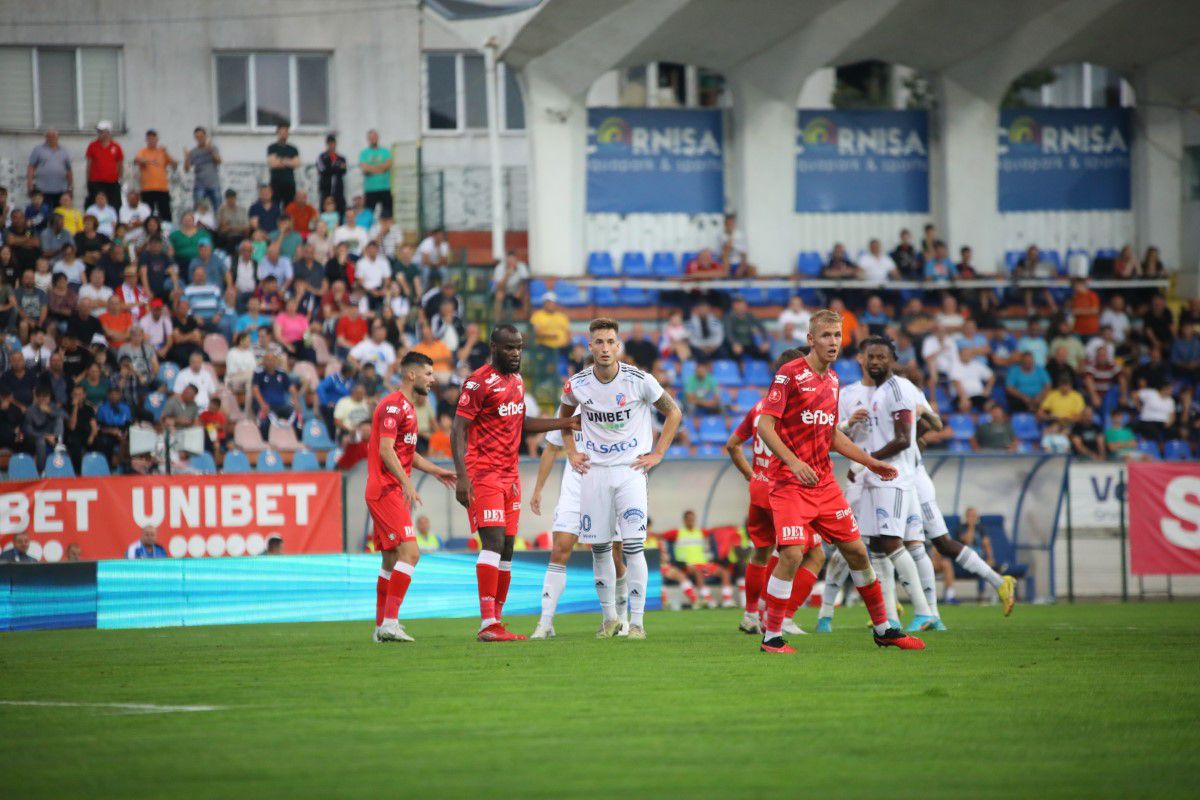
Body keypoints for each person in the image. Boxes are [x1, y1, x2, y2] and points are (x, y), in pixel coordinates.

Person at [754, 311, 922, 653]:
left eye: (837, 335)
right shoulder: (789, 374)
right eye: (827, 335)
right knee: (792, 553)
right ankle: (772, 636)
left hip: (824, 484)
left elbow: (831, 435)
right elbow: (765, 427)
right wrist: (794, 462)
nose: (833, 342)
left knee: (858, 552)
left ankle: (883, 628)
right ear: (811, 339)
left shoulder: (832, 382)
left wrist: (871, 461)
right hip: (789, 483)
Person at [451, 325, 580, 642]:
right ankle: (487, 623)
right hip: (483, 473)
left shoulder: (517, 382)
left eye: (519, 348)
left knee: (507, 549)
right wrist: (463, 478)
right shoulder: (478, 382)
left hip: (510, 475)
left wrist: (565, 421)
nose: (516, 354)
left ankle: (497, 619)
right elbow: (457, 430)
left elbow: (521, 423)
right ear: (494, 347)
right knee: (493, 543)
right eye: (510, 348)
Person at [556, 319, 683, 639]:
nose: (604, 348)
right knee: (599, 548)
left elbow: (674, 413)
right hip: (594, 472)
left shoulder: (640, 380)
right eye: (598, 342)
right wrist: (571, 451)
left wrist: (659, 453)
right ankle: (610, 618)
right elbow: (564, 416)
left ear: (618, 345)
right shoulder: (577, 384)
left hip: (630, 471)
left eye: (610, 341)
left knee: (633, 546)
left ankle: (637, 622)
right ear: (590, 346)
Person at [368, 352, 458, 643]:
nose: (432, 380)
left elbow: (406, 452)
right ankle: (390, 623)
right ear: (411, 375)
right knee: (411, 553)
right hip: (386, 490)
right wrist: (406, 482)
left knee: (390, 560)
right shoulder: (394, 405)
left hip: (388, 489)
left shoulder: (407, 407)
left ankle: (382, 625)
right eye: (429, 374)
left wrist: (436, 471)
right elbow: (385, 449)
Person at [529, 399, 630, 639]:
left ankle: (619, 619)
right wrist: (538, 489)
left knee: (612, 554)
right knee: (560, 550)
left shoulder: (616, 405)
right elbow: (552, 448)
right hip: (574, 492)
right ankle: (545, 623)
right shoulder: (568, 408)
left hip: (607, 489)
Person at [725, 348, 809, 635]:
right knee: (808, 552)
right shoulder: (794, 410)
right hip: (782, 490)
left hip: (759, 488)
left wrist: (752, 476)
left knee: (761, 552)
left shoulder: (760, 407)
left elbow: (732, 445)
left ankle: (750, 614)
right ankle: (779, 618)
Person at [134, 129, 176, 221]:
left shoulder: (162, 152)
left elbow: (174, 164)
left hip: (162, 188)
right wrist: (146, 160)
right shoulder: (143, 151)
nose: (151, 141)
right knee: (148, 214)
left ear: (157, 140)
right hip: (147, 188)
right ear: (146, 140)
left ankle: (167, 232)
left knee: (166, 213)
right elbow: (136, 160)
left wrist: (166, 152)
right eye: (149, 139)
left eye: (153, 138)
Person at [27, 128, 72, 209]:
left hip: (60, 189)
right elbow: (31, 167)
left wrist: (70, 186)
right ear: (45, 137)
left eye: (54, 136)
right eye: (49, 136)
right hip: (43, 190)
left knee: (59, 214)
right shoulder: (38, 149)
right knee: (44, 213)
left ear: (58, 137)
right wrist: (30, 184)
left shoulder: (64, 150)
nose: (52, 138)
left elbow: (69, 170)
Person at [85, 121, 124, 211]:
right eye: (99, 131)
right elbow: (89, 164)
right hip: (96, 182)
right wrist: (88, 181)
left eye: (101, 131)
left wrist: (120, 179)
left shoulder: (116, 146)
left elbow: (120, 164)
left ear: (108, 132)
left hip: (112, 183)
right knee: (95, 205)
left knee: (114, 205)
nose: (99, 134)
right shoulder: (92, 145)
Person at [184, 126, 222, 211]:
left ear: (205, 136)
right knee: (198, 211)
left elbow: (219, 161)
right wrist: (186, 158)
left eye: (201, 136)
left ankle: (217, 225)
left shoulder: (213, 148)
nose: (200, 139)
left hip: (214, 185)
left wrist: (211, 151)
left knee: (218, 210)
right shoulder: (193, 152)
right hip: (199, 186)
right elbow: (186, 169)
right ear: (195, 138)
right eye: (197, 137)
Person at [359, 129, 393, 221]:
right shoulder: (364, 153)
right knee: (368, 214)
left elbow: (388, 165)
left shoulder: (385, 151)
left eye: (375, 137)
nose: (373, 139)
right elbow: (364, 168)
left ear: (378, 138)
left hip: (385, 187)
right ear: (368, 139)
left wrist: (372, 169)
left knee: (388, 213)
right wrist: (380, 169)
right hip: (370, 188)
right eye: (371, 137)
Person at [267, 123, 300, 206]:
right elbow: (273, 164)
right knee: (275, 207)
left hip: (289, 183)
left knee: (290, 208)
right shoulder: (272, 148)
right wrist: (289, 161)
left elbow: (296, 164)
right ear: (277, 132)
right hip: (276, 183)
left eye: (286, 132)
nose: (284, 134)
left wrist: (281, 160)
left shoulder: (293, 149)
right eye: (282, 132)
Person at [316, 135, 348, 220]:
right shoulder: (322, 157)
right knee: (324, 213)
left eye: (333, 143)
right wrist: (336, 167)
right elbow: (323, 170)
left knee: (340, 213)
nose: (331, 145)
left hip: (338, 191)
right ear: (327, 144)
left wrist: (331, 167)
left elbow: (344, 170)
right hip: (325, 191)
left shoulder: (341, 158)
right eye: (329, 143)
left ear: (335, 144)